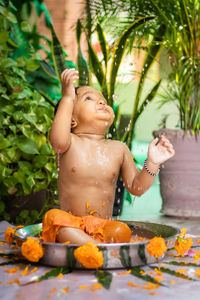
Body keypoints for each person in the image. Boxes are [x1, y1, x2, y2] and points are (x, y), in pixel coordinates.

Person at [42, 68, 175, 244]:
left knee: (122, 230)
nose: (101, 102)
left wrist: (152, 162)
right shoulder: (69, 143)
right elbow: (57, 141)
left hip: (104, 228)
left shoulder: (119, 149)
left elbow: (137, 188)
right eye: (88, 98)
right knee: (54, 219)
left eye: (103, 100)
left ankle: (95, 246)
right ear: (71, 119)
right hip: (72, 226)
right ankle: (97, 248)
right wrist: (67, 97)